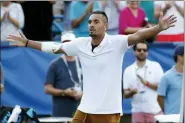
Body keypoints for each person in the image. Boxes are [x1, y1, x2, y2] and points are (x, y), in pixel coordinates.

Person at [7, 10, 176, 123]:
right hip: (85, 108)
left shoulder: (117, 42)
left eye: (96, 21)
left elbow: (139, 35)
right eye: (89, 22)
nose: (91, 25)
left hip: (108, 112)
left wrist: (159, 28)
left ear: (106, 26)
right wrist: (28, 43)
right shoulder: (80, 43)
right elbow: (55, 47)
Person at [123, 42, 164, 123]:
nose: (142, 52)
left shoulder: (155, 66)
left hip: (154, 111)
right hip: (137, 111)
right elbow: (125, 94)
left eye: (144, 50)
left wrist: (147, 83)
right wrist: (132, 92)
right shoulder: (128, 70)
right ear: (134, 51)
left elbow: (162, 88)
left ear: (147, 52)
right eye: (139, 50)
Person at [45, 32, 83, 117]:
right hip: (61, 112)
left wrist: (82, 93)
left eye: (70, 43)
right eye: (65, 43)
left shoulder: (83, 63)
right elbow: (47, 89)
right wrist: (64, 93)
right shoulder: (55, 65)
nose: (67, 46)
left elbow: (93, 86)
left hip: (82, 111)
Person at [157, 45, 184, 115]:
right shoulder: (167, 76)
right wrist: (168, 112)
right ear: (179, 57)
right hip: (172, 118)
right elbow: (160, 97)